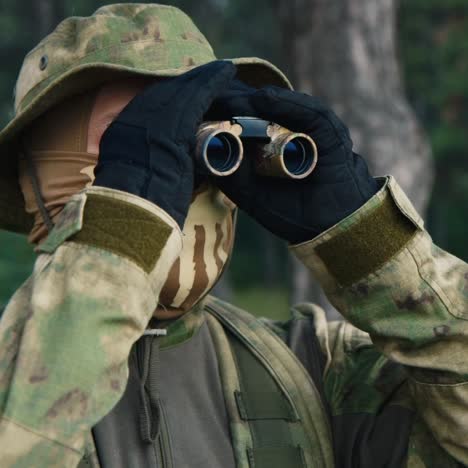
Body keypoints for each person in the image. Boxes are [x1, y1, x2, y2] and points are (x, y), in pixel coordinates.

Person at [0, 4, 466, 468]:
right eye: (133, 142)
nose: (179, 172)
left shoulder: (317, 372)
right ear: (29, 183)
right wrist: (120, 227)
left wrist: (371, 246)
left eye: (196, 135)